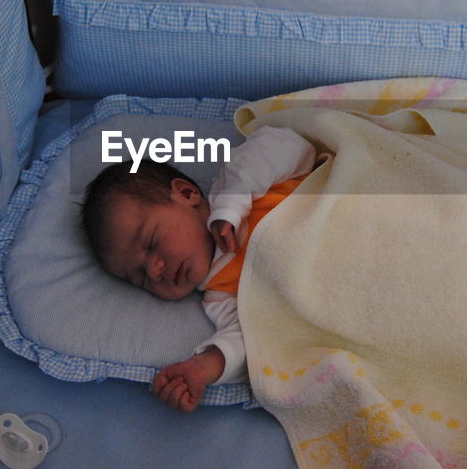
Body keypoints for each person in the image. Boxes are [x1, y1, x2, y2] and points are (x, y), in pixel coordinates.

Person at [81, 126, 316, 412]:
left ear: (186, 193)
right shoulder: (221, 296)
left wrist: (232, 205)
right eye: (141, 277)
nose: (156, 270)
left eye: (152, 242)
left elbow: (287, 143)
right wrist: (202, 368)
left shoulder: (238, 189)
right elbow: (257, 343)